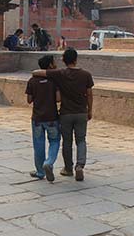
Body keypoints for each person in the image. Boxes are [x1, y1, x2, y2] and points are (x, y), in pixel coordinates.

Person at [33, 48, 94, 181]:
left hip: (66, 113)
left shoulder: (60, 73)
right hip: (81, 112)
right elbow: (89, 94)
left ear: (64, 60)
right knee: (81, 140)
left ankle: (68, 168)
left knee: (67, 141)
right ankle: (80, 166)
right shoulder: (86, 75)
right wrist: (89, 110)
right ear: (76, 59)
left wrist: (35, 73)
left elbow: (38, 72)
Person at [26, 55, 60, 182]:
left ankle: (40, 171)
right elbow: (58, 99)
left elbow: (29, 100)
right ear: (50, 65)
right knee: (55, 141)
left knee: (38, 144)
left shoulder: (32, 80)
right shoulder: (54, 80)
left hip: (37, 118)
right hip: (52, 117)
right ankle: (49, 162)